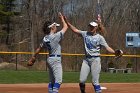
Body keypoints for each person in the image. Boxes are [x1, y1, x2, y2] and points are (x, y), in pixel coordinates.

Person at [64, 17, 115, 93]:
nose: (91, 27)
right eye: (90, 26)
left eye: (92, 26)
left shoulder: (100, 38)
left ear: (96, 28)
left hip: (95, 60)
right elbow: (75, 30)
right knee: (82, 81)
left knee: (95, 82)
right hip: (86, 60)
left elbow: (107, 48)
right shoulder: (85, 34)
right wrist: (67, 22)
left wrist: (115, 52)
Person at [27, 12, 68, 93]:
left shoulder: (45, 38)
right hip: (56, 60)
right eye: (55, 26)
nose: (56, 28)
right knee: (59, 81)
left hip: (50, 60)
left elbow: (39, 48)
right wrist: (62, 19)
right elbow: (66, 27)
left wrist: (34, 56)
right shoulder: (55, 36)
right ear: (52, 27)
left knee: (52, 82)